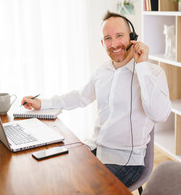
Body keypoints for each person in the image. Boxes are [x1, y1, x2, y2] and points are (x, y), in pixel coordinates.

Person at [21, 11, 171, 187]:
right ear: (102, 43)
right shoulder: (103, 70)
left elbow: (159, 115)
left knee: (77, 188)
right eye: (108, 38)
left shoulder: (152, 72)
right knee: (51, 174)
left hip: (126, 161)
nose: (114, 44)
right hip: (94, 149)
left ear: (132, 37)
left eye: (120, 36)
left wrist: (142, 66)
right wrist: (43, 103)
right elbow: (79, 97)